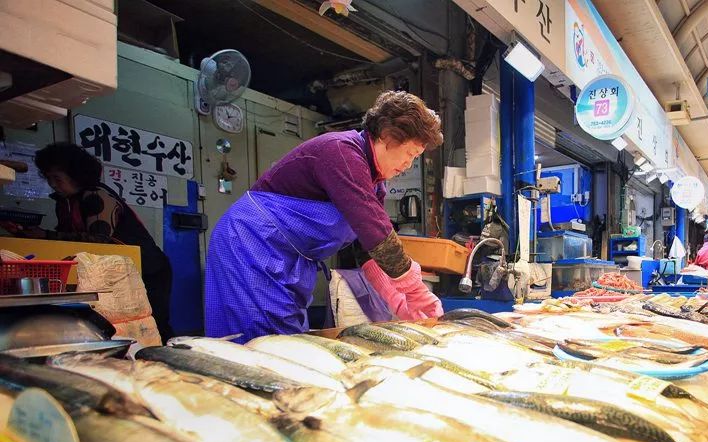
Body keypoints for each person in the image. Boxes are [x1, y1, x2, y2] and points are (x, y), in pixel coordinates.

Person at [204, 91, 443, 341]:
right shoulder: (341, 152)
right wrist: (415, 290)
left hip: (287, 260)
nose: (407, 165)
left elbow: (366, 250)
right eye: (410, 154)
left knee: (286, 341)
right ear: (387, 136)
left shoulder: (375, 184)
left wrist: (397, 300)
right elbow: (376, 232)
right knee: (259, 343)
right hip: (251, 245)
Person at [33, 142, 174, 340]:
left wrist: (46, 236)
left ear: (76, 174)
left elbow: (100, 240)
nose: (53, 184)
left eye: (57, 178)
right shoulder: (64, 203)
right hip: (116, 271)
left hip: (148, 269)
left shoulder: (97, 196)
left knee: (151, 322)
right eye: (48, 178)